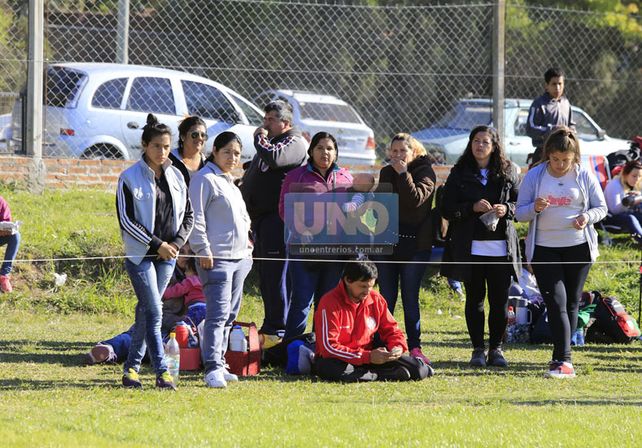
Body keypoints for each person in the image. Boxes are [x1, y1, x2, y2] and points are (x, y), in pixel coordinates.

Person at [516, 126, 606, 378]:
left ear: (574, 157)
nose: (559, 164)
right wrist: (533, 208)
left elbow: (602, 208)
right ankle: (562, 359)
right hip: (545, 249)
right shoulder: (535, 176)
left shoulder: (584, 175)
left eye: (565, 160)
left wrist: (587, 217)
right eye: (555, 159)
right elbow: (519, 213)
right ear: (548, 156)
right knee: (556, 302)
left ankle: (564, 355)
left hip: (578, 247)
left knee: (572, 302)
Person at [116, 113, 194, 390]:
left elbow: (188, 215)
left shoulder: (176, 175)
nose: (162, 152)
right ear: (145, 146)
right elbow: (126, 221)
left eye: (166, 146)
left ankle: (131, 371)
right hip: (141, 255)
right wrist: (157, 245)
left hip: (168, 256)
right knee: (155, 309)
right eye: (157, 146)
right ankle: (162, 371)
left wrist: (175, 243)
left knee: (146, 311)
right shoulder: (128, 178)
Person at [440, 125, 520, 368]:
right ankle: (477, 349)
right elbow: (446, 208)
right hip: (470, 247)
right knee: (474, 299)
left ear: (494, 146)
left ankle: (496, 348)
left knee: (499, 301)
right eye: (476, 140)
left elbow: (519, 203)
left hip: (500, 248)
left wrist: (507, 210)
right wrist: (470, 208)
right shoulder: (459, 172)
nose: (480, 145)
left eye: (485, 141)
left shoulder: (508, 171)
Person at [240, 100, 307, 347]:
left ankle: (278, 329)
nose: (264, 124)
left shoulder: (294, 141)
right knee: (267, 275)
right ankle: (272, 325)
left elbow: (277, 159)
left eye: (270, 119)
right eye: (264, 119)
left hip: (278, 220)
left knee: (277, 275)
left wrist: (259, 138)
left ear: (285, 122)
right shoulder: (272, 142)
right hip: (262, 220)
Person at [189, 131, 254, 388]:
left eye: (237, 153)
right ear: (214, 151)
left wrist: (248, 247)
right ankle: (212, 367)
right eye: (227, 151)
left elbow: (244, 220)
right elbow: (196, 217)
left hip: (240, 258)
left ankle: (220, 360)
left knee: (230, 314)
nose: (232, 157)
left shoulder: (229, 182)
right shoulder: (204, 179)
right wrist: (202, 249)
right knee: (217, 314)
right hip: (216, 259)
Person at [279, 131, 354, 340]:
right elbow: (284, 208)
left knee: (327, 302)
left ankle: (320, 347)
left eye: (330, 148)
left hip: (335, 251)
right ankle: (291, 348)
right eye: (320, 148)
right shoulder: (297, 176)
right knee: (302, 301)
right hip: (304, 249)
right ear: (311, 151)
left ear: (336, 153)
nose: (325, 153)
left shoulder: (346, 177)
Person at [313, 260, 434, 382]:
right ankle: (382, 375)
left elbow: (392, 330)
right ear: (347, 280)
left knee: (419, 369)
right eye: (363, 286)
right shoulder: (329, 302)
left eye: (371, 286)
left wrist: (397, 347)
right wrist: (368, 357)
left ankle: (370, 374)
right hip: (341, 359)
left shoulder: (376, 299)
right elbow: (328, 348)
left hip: (370, 356)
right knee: (328, 368)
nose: (367, 292)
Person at [85, 244, 205, 365]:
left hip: (184, 329)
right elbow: (161, 295)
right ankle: (108, 349)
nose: (185, 256)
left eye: (190, 252)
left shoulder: (200, 274)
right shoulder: (167, 271)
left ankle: (115, 351)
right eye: (182, 251)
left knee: (168, 344)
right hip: (164, 321)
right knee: (141, 335)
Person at [375, 133, 436, 365]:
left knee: (410, 297)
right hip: (388, 243)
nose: (398, 156)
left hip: (416, 245)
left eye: (403, 151)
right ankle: (382, 342)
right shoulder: (385, 172)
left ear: (414, 152)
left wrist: (403, 174)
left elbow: (415, 201)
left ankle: (415, 346)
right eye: (394, 151)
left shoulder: (425, 171)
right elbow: (382, 206)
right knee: (386, 297)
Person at [526, 67, 574, 166]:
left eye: (560, 84)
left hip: (564, 155)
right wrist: (553, 130)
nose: (557, 88)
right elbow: (530, 128)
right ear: (546, 86)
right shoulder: (539, 104)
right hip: (543, 154)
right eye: (554, 84)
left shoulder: (566, 103)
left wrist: (570, 131)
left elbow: (571, 125)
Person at [603, 159, 642, 244]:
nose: (637, 179)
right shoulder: (615, 185)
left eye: (639, 176)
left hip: (624, 217)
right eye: (634, 176)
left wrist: (637, 196)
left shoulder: (629, 184)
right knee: (631, 218)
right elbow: (615, 210)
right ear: (625, 174)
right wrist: (632, 201)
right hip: (609, 219)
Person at [169, 116, 208, 185]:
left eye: (203, 135)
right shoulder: (169, 161)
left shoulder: (208, 164)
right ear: (183, 137)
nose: (200, 138)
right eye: (194, 134)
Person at [0, 195, 20, 293]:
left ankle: (4, 275)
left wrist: (6, 230)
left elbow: (6, 222)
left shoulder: (1, 201)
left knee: (16, 236)